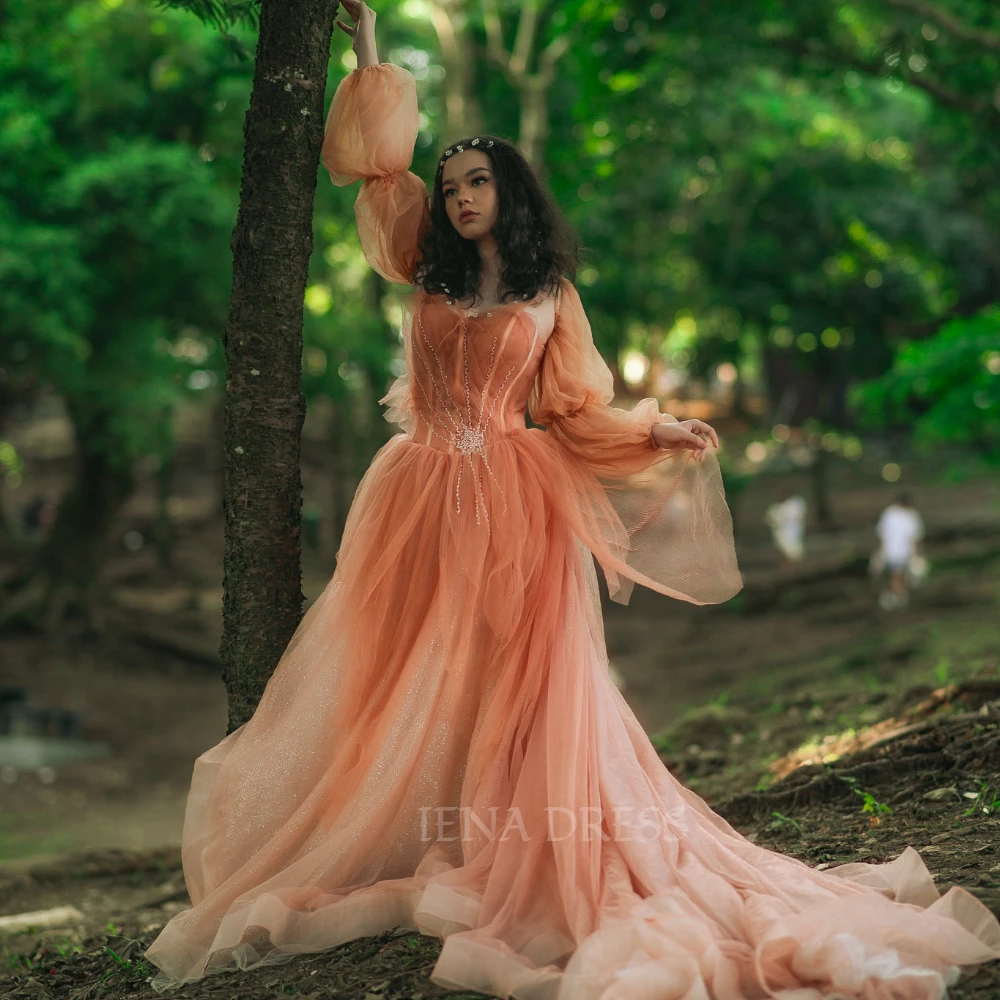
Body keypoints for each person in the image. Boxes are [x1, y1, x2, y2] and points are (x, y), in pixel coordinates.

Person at [144, 3, 1000, 995]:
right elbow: (377, 172)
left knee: (521, 679)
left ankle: (519, 841)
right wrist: (367, 38)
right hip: (416, 491)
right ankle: (421, 826)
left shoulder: (551, 299)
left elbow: (575, 415)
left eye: (479, 183)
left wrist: (658, 429)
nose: (461, 197)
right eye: (453, 184)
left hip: (515, 498)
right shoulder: (422, 261)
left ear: (511, 196)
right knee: (408, 669)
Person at [874, 492, 925, 610]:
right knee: (896, 574)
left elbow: (882, 533)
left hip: (897, 550)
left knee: (897, 574)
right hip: (897, 550)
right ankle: (899, 596)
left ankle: (898, 595)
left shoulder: (892, 514)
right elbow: (915, 536)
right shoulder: (900, 515)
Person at [764, 488, 807, 564]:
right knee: (785, 549)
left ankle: (794, 565)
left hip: (792, 530)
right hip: (780, 532)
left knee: (793, 550)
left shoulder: (794, 504)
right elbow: (770, 520)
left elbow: (798, 517)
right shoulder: (775, 509)